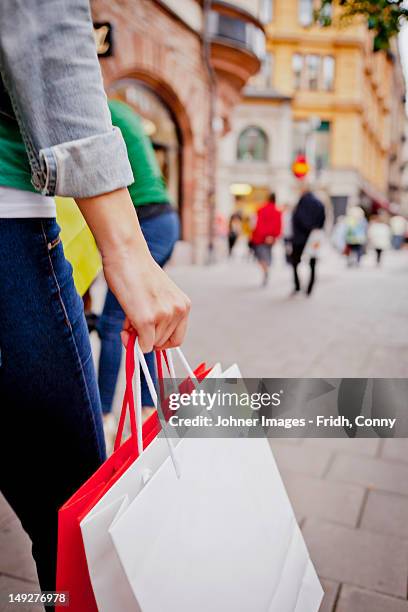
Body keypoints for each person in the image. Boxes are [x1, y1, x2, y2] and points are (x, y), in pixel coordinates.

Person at [0, 0, 190, 597]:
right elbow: (43, 29)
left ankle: (115, 399)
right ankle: (115, 403)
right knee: (74, 524)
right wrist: (127, 254)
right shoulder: (116, 117)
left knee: (109, 326)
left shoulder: (122, 118)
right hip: (9, 224)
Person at [97, 99, 180, 442]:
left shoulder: (98, 110)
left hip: (147, 220)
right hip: (161, 219)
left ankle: (103, 415)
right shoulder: (121, 110)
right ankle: (148, 411)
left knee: (112, 323)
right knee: (140, 318)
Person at [291, 187, 325, 295]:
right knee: (312, 263)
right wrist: (314, 228)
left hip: (300, 237)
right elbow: (322, 220)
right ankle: (310, 288)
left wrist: (305, 228)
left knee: (295, 262)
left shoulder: (301, 202)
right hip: (314, 237)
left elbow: (297, 218)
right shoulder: (319, 203)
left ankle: (297, 285)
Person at [251, 193, 282, 286]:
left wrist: (263, 235)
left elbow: (258, 224)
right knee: (267, 253)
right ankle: (267, 267)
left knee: (261, 256)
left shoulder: (261, 209)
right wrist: (274, 236)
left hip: (260, 238)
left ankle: (266, 270)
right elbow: (279, 225)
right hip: (271, 238)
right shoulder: (277, 211)